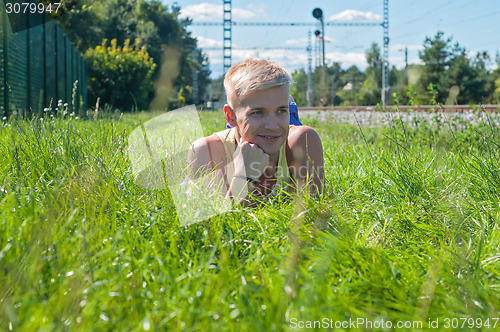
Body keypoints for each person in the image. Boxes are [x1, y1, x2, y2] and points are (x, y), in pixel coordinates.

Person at [187, 58, 323, 207]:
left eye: (281, 110)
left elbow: (314, 217)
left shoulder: (302, 142)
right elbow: (216, 227)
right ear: (230, 116)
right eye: (258, 112)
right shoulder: (206, 151)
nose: (272, 125)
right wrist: (244, 176)